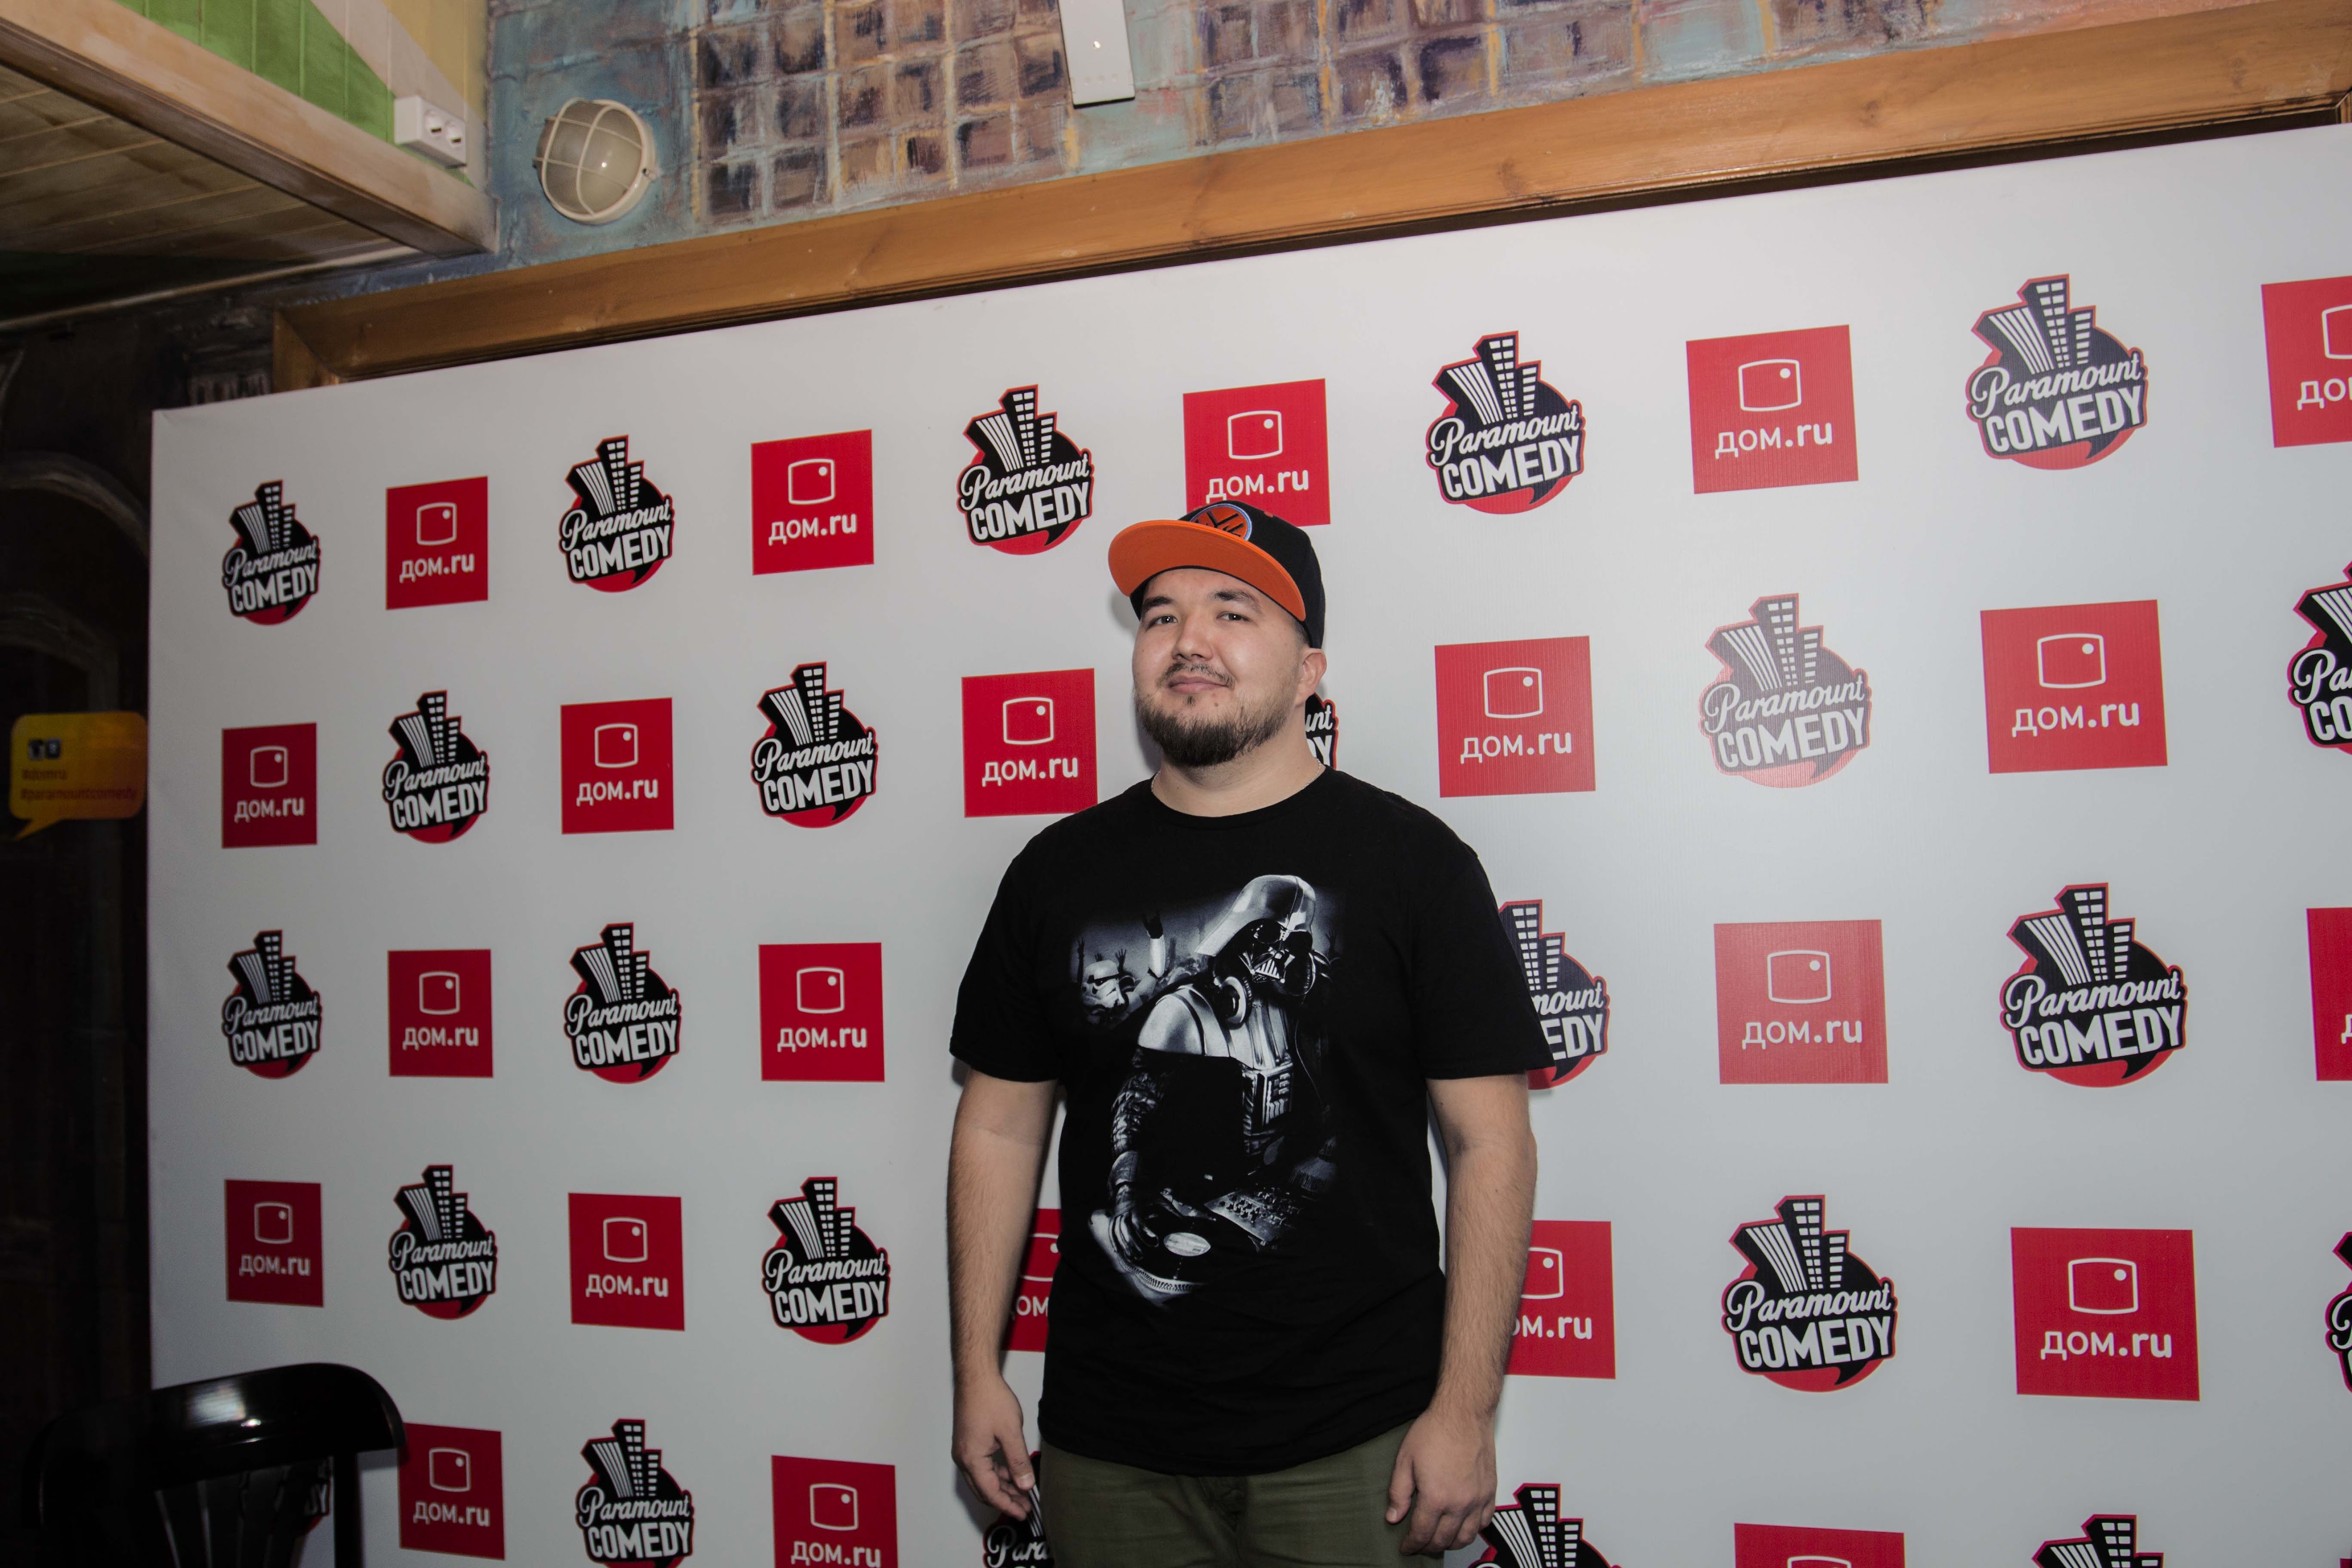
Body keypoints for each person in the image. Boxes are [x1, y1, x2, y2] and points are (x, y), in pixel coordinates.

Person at [946, 499, 1548, 1568]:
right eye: (1161, 615)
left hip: (1357, 1443)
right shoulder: (1056, 874)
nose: (1189, 640)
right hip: (1110, 1444)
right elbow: (998, 1128)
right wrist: (975, 1369)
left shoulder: (1415, 865)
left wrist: (1465, 1408)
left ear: (1310, 670)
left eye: (1233, 611)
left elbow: (1489, 1141)